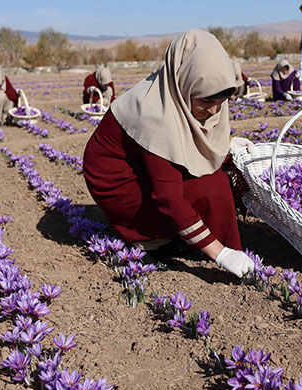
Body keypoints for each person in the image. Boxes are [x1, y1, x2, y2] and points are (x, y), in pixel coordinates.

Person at [83, 29, 255, 278]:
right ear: (185, 85)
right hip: (119, 182)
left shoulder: (181, 91)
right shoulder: (155, 114)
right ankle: (148, 241)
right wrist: (221, 254)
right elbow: (168, 197)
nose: (215, 110)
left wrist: (225, 146)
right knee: (209, 187)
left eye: (222, 101)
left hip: (143, 164)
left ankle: (190, 236)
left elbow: (186, 143)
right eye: (206, 102)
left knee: (216, 177)